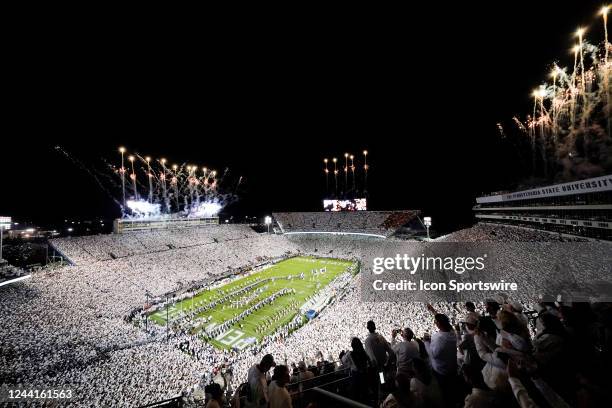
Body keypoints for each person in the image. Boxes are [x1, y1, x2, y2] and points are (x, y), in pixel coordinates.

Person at [424, 314, 457, 407]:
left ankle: (449, 403)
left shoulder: (439, 338)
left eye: (435, 322)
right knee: (451, 387)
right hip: (452, 366)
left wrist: (426, 342)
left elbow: (433, 354)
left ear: (438, 324)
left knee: (445, 390)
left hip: (441, 370)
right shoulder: (452, 333)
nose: (435, 323)